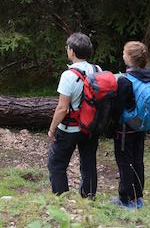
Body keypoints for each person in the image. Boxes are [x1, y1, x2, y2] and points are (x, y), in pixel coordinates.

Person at [47, 32, 99, 197]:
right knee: (89, 162)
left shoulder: (68, 76)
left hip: (70, 129)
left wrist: (52, 128)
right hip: (91, 127)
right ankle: (89, 196)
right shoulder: (97, 70)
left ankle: (61, 198)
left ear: (72, 51)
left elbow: (62, 108)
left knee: (57, 164)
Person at [109, 41, 150, 209]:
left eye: (124, 52)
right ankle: (138, 197)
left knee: (124, 162)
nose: (122, 54)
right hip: (140, 125)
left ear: (129, 58)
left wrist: (110, 124)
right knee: (137, 160)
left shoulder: (125, 80)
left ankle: (125, 199)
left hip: (125, 128)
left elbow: (117, 108)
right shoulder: (149, 76)